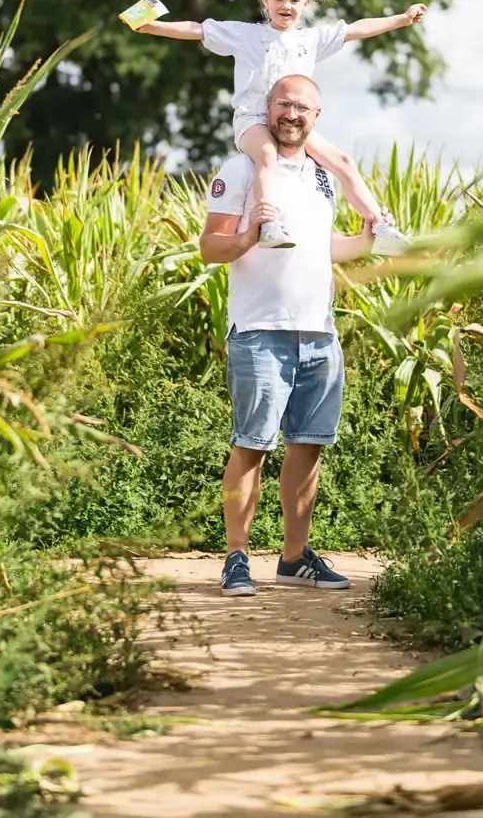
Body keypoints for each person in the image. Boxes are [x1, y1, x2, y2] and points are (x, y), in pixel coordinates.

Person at [198, 73, 375, 597]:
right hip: (259, 331)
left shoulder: (323, 176)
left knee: (308, 447)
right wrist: (251, 234)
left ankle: (294, 558)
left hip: (319, 331)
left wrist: (365, 240)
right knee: (251, 446)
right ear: (267, 108)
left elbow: (322, 248)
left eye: (301, 108)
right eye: (282, 105)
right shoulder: (243, 168)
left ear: (316, 116)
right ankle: (236, 558)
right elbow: (210, 247)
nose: (291, 115)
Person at [133, 0, 424, 253]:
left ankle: (380, 226)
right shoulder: (245, 35)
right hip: (253, 121)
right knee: (268, 156)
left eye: (294, 1)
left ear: (306, 4)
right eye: (279, 0)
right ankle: (270, 223)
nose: (286, 6)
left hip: (293, 123)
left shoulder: (310, 40)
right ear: (265, 1)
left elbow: (356, 29)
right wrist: (152, 26)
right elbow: (198, 30)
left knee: (343, 162)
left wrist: (402, 20)